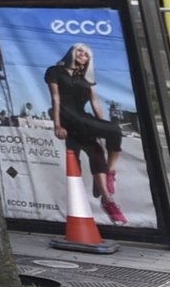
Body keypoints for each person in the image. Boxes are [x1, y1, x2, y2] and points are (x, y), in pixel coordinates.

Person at [46, 42, 128, 226]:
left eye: (86, 54)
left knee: (110, 135)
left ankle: (110, 176)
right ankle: (108, 201)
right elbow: (56, 98)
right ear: (72, 52)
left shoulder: (87, 78)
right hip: (68, 119)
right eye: (79, 50)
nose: (82, 54)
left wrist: (100, 125)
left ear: (88, 61)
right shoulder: (55, 71)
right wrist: (57, 124)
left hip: (84, 119)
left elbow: (95, 103)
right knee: (93, 154)